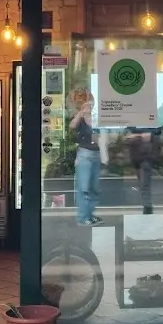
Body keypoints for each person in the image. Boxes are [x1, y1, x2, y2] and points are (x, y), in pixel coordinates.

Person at [70, 96, 102, 226]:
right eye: (87, 106)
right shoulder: (81, 120)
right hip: (84, 155)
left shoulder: (96, 120)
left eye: (91, 105)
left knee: (94, 188)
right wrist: (80, 113)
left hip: (96, 154)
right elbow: (71, 126)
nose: (89, 108)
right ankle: (83, 218)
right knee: (84, 188)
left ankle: (89, 214)